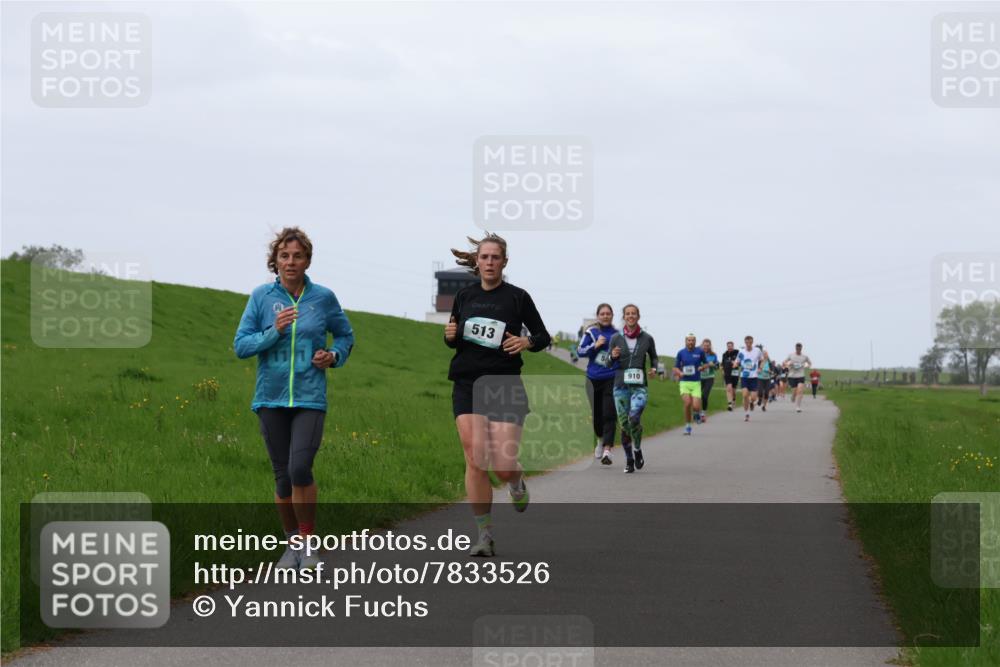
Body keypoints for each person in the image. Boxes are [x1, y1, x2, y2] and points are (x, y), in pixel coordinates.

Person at [234, 227, 355, 571]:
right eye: (284, 256)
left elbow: (346, 335)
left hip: (309, 397)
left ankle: (308, 543)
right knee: (283, 478)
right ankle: (291, 545)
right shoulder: (260, 298)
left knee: (300, 468)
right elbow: (241, 345)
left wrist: (333, 356)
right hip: (270, 399)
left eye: (297, 256)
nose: (290, 262)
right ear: (274, 261)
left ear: (307, 261)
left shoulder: (323, 298)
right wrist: (275, 331)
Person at [443, 233, 551, 557]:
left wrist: (526, 342)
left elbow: (542, 335)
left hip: (504, 383)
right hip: (467, 383)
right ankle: (484, 535)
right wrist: (448, 336)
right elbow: (454, 336)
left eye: (495, 257)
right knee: (476, 458)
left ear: (505, 262)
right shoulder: (463, 296)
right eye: (484, 257)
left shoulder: (518, 297)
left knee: (503, 465)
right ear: (477, 261)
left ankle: (515, 483)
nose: (489, 262)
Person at [603, 304, 660, 473]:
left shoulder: (647, 338)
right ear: (624, 317)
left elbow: (654, 358)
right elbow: (607, 362)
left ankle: (637, 449)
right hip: (620, 386)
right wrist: (612, 356)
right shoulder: (615, 338)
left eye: (633, 313)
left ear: (638, 316)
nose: (630, 316)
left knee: (634, 417)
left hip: (639, 386)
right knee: (624, 424)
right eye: (627, 314)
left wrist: (654, 369)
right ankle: (629, 460)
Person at [577, 304, 619, 465]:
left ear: (612, 316)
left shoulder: (617, 335)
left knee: (609, 413)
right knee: (597, 416)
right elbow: (580, 351)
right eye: (602, 314)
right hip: (593, 378)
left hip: (611, 377)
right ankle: (601, 439)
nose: (605, 316)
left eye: (608, 313)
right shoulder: (592, 332)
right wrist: (595, 346)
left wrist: (616, 355)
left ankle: (607, 450)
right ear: (598, 316)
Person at [672, 334, 708, 435]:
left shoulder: (700, 352)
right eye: (689, 340)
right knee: (687, 403)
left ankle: (696, 413)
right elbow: (675, 368)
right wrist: (679, 373)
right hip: (684, 382)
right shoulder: (681, 353)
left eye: (692, 340)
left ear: (695, 342)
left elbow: (706, 363)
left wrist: (702, 367)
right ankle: (688, 426)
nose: (691, 342)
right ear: (685, 341)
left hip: (696, 382)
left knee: (696, 406)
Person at [736, 335, 763, 422]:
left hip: (754, 377)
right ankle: (746, 414)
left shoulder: (757, 350)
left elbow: (762, 360)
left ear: (752, 342)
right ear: (745, 343)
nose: (748, 344)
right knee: (745, 395)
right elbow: (737, 361)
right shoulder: (741, 351)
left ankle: (752, 402)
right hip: (744, 376)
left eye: (750, 342)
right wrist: (735, 364)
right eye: (747, 342)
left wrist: (760, 368)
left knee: (754, 397)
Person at [783, 342, 813, 413]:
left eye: (799, 349)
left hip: (801, 375)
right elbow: (784, 362)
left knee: (800, 391)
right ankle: (793, 397)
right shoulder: (791, 355)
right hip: (792, 376)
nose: (798, 350)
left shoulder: (804, 356)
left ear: (801, 349)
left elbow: (810, 363)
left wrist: (807, 366)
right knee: (795, 391)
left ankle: (798, 407)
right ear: (795, 348)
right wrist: (788, 364)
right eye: (797, 349)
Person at [699, 339, 719, 422]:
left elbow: (717, 367)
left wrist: (713, 365)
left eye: (708, 346)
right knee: (697, 396)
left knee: (704, 395)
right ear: (702, 345)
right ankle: (698, 412)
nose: (706, 347)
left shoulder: (713, 355)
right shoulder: (698, 354)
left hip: (709, 378)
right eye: (704, 345)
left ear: (710, 346)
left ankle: (703, 413)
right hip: (699, 378)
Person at [721, 341, 740, 411]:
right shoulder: (724, 354)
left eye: (730, 346)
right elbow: (722, 364)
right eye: (728, 346)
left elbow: (740, 361)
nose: (729, 347)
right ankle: (729, 404)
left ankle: (734, 400)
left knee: (734, 390)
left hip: (735, 373)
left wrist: (735, 363)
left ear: (733, 346)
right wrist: (722, 371)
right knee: (729, 388)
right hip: (727, 373)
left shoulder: (737, 352)